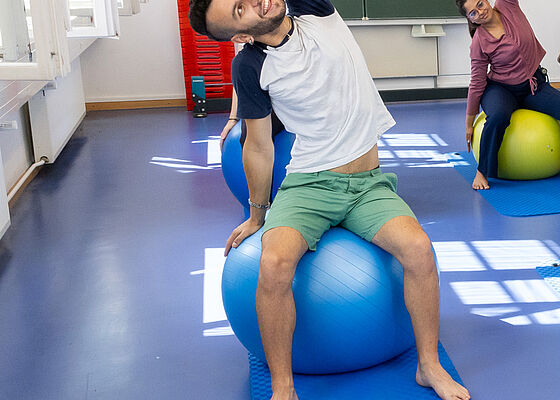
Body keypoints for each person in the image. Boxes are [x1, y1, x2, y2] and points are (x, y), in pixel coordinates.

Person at [187, 0, 470, 398]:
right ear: (242, 35)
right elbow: (258, 144)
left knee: (419, 249)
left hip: (369, 184)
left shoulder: (315, 11)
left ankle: (428, 366)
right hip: (309, 185)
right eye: (239, 12)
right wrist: (257, 214)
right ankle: (283, 389)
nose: (251, 3)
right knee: (272, 263)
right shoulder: (250, 66)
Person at [458, 0, 560, 190]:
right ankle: (482, 171)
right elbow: (477, 82)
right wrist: (469, 123)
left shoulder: (507, 6)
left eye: (480, 4)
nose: (480, 12)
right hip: (500, 89)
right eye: (473, 13)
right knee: (497, 117)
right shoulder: (479, 42)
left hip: (532, 85)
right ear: (469, 19)